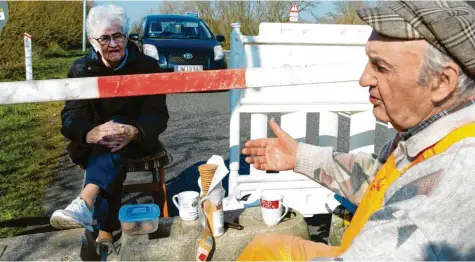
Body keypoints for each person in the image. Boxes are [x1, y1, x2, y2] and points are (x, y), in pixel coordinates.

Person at [238, 1, 475, 260]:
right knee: (265, 247)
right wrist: (300, 157)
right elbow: (378, 180)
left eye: (381, 67)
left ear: (442, 82)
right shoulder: (431, 131)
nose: (364, 79)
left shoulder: (422, 217)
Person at [49, 4, 169, 249]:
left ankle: (96, 218)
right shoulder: (81, 69)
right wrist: (90, 133)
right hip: (95, 144)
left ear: (126, 36)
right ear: (94, 41)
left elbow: (158, 115)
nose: (113, 44)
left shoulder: (147, 66)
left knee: (116, 132)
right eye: (105, 38)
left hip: (139, 140)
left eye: (118, 36)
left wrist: (134, 131)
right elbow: (71, 116)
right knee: (110, 139)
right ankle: (101, 226)